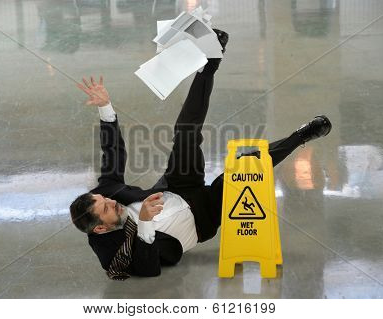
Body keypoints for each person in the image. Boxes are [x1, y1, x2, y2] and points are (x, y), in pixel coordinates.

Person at [70, 30, 332, 280]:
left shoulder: (106, 194)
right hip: (202, 217)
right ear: (100, 228)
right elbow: (149, 268)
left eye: (104, 198)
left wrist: (105, 107)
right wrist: (146, 223)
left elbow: (113, 152)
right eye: (105, 208)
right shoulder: (110, 255)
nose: (110, 201)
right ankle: (301, 136)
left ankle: (210, 62)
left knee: (184, 132)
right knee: (245, 167)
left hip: (176, 188)